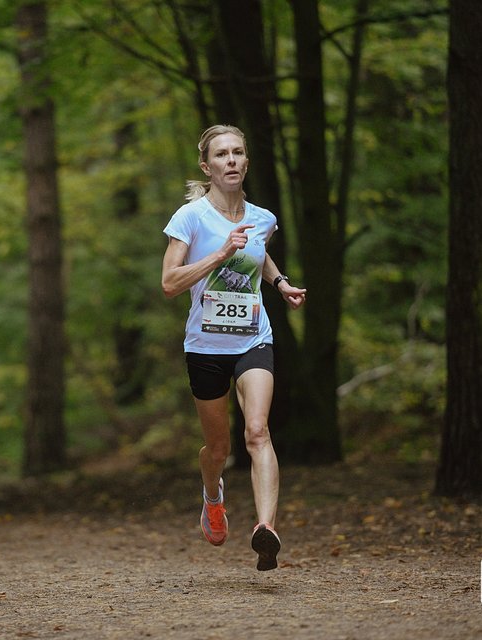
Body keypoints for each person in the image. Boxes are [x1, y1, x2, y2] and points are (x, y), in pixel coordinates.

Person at [161, 125, 307, 571]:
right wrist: (219, 255)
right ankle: (212, 496)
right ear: (207, 167)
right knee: (218, 449)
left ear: (246, 162)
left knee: (257, 431)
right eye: (221, 154)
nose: (230, 160)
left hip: (252, 338)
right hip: (205, 346)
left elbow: (258, 253)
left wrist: (279, 283)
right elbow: (169, 283)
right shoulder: (190, 217)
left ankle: (266, 529)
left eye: (237, 152)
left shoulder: (263, 218)